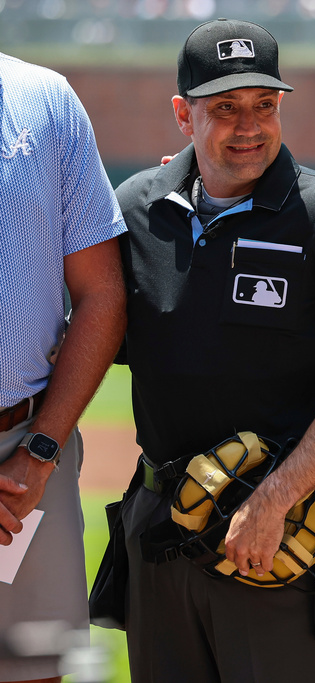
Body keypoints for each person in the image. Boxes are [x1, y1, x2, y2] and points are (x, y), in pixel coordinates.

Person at [111, 18, 315, 682]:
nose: (249, 125)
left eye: (265, 104)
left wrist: (271, 502)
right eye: (224, 107)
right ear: (182, 114)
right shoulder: (135, 208)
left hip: (277, 536)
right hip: (160, 531)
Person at [0, 53, 127, 683]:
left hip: (22, 459)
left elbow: (102, 294)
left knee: (35, 669)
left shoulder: (42, 99)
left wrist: (39, 451)